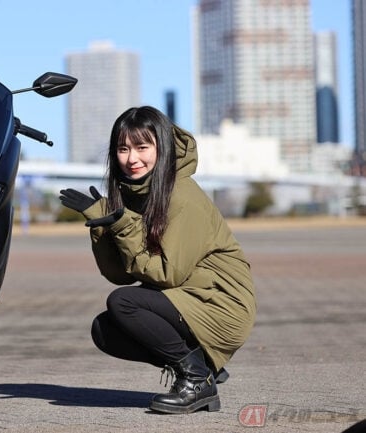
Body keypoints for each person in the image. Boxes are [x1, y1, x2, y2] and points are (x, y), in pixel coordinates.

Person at [59, 106, 256, 414]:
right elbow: (120, 274)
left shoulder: (181, 195)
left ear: (162, 147)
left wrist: (122, 225)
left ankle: (196, 378)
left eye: (142, 147)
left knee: (124, 303)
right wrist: (104, 224)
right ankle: (203, 368)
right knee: (104, 330)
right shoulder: (137, 192)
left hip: (221, 303)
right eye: (123, 149)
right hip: (191, 296)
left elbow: (167, 274)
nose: (132, 158)